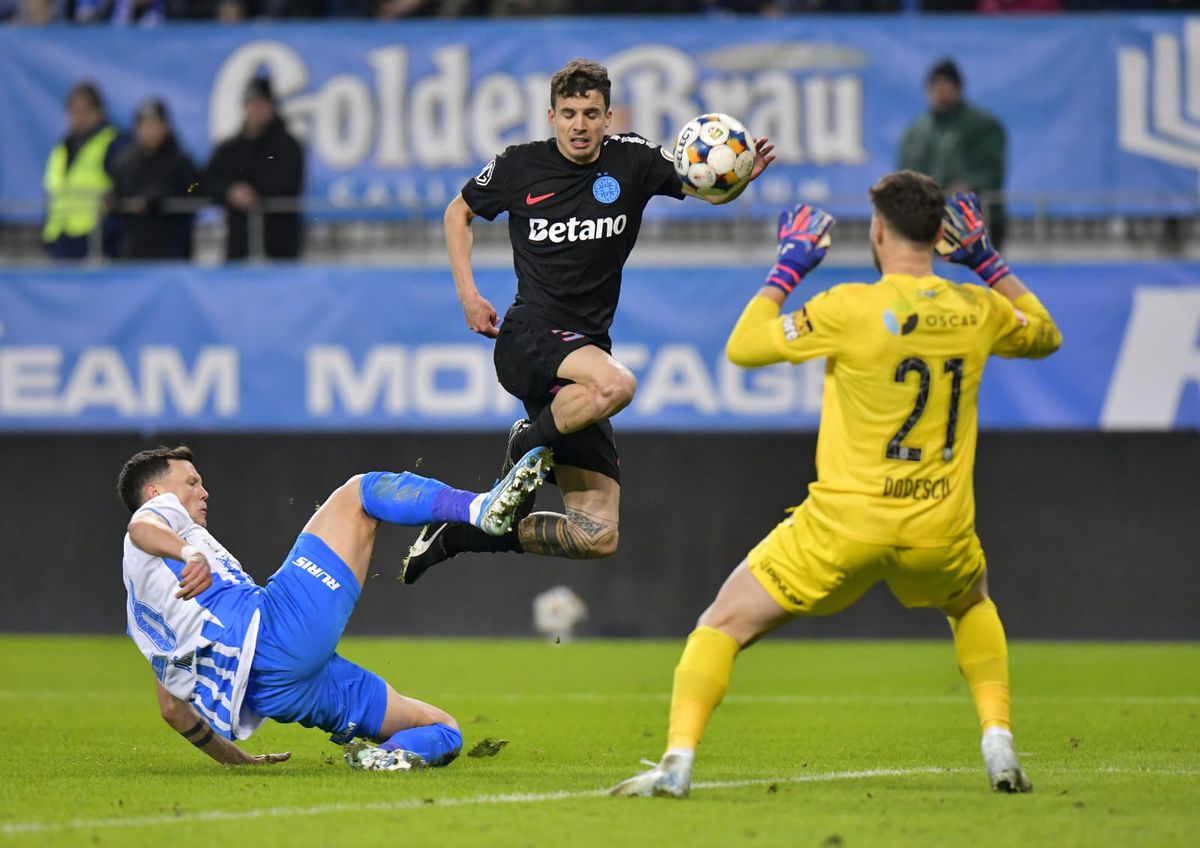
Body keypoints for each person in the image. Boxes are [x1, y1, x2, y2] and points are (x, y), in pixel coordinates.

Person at [609, 173, 1061, 799]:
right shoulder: (976, 310)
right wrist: (985, 260)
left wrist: (788, 267)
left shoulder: (848, 308)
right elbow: (1045, 332)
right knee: (970, 604)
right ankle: (999, 741)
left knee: (721, 624)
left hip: (842, 527)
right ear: (940, 234)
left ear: (878, 232)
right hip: (938, 527)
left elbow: (744, 347)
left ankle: (677, 761)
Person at [401, 58, 774, 583]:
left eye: (591, 113)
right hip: (529, 337)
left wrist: (737, 180)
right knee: (618, 384)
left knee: (595, 535)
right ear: (551, 116)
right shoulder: (517, 167)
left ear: (608, 117)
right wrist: (468, 294)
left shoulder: (635, 160)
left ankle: (461, 534)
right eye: (570, 113)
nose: (580, 124)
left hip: (581, 364)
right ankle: (528, 444)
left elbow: (704, 186)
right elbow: (456, 211)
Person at [118, 443, 550, 769]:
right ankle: (479, 507)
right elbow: (141, 525)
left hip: (277, 693)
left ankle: (385, 759)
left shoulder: (144, 605)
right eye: (192, 482)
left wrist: (240, 762)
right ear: (156, 492)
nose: (204, 491)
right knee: (359, 493)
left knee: (443, 729)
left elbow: (173, 709)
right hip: (276, 632)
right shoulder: (158, 519)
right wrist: (190, 553)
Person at [898, 59, 1007, 249]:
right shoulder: (917, 131)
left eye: (945, 87)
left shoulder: (982, 125)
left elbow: (993, 171)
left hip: (974, 224)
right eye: (934, 88)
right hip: (928, 224)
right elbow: (904, 175)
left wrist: (969, 185)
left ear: (958, 89)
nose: (939, 94)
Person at [203, 75, 304, 261]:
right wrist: (229, 192)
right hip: (239, 244)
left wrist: (253, 194)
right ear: (244, 107)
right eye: (253, 104)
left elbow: (289, 183)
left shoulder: (288, 146)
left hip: (279, 246)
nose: (257, 110)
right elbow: (202, 183)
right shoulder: (229, 148)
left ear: (273, 107)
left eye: (262, 104)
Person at [42, 81, 126, 260]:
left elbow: (123, 191)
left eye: (85, 110)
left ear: (100, 111)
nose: (79, 117)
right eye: (74, 111)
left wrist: (108, 230)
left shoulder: (112, 144)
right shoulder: (61, 148)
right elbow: (53, 193)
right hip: (60, 238)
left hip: (96, 241)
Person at [111, 98, 199, 260]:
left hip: (173, 249)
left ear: (166, 127)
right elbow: (117, 197)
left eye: (156, 124)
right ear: (137, 129)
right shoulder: (124, 164)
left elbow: (195, 187)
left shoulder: (181, 162)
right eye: (146, 125)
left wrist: (163, 198)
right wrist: (111, 203)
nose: (151, 131)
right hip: (133, 252)